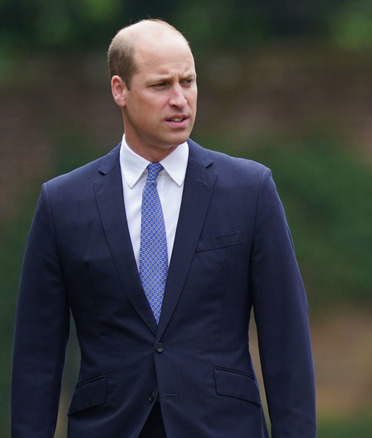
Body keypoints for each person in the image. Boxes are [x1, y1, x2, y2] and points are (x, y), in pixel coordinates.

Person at [11, 19, 316, 437]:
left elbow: (287, 342)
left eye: (188, 82)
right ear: (119, 89)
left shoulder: (250, 190)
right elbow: (36, 357)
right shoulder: (62, 203)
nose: (180, 100)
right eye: (160, 86)